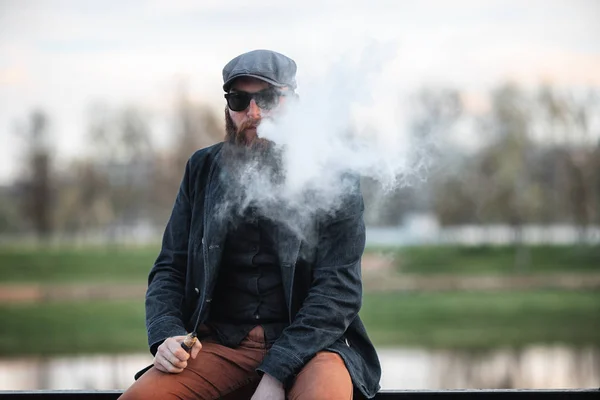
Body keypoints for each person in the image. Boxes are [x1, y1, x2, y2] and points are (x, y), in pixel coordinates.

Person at [119, 49, 381, 400]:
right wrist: (165, 333)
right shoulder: (203, 169)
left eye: (268, 98)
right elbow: (170, 268)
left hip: (312, 348)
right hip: (219, 345)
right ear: (228, 106)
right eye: (239, 99)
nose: (253, 113)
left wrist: (276, 373)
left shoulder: (333, 175)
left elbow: (338, 292)